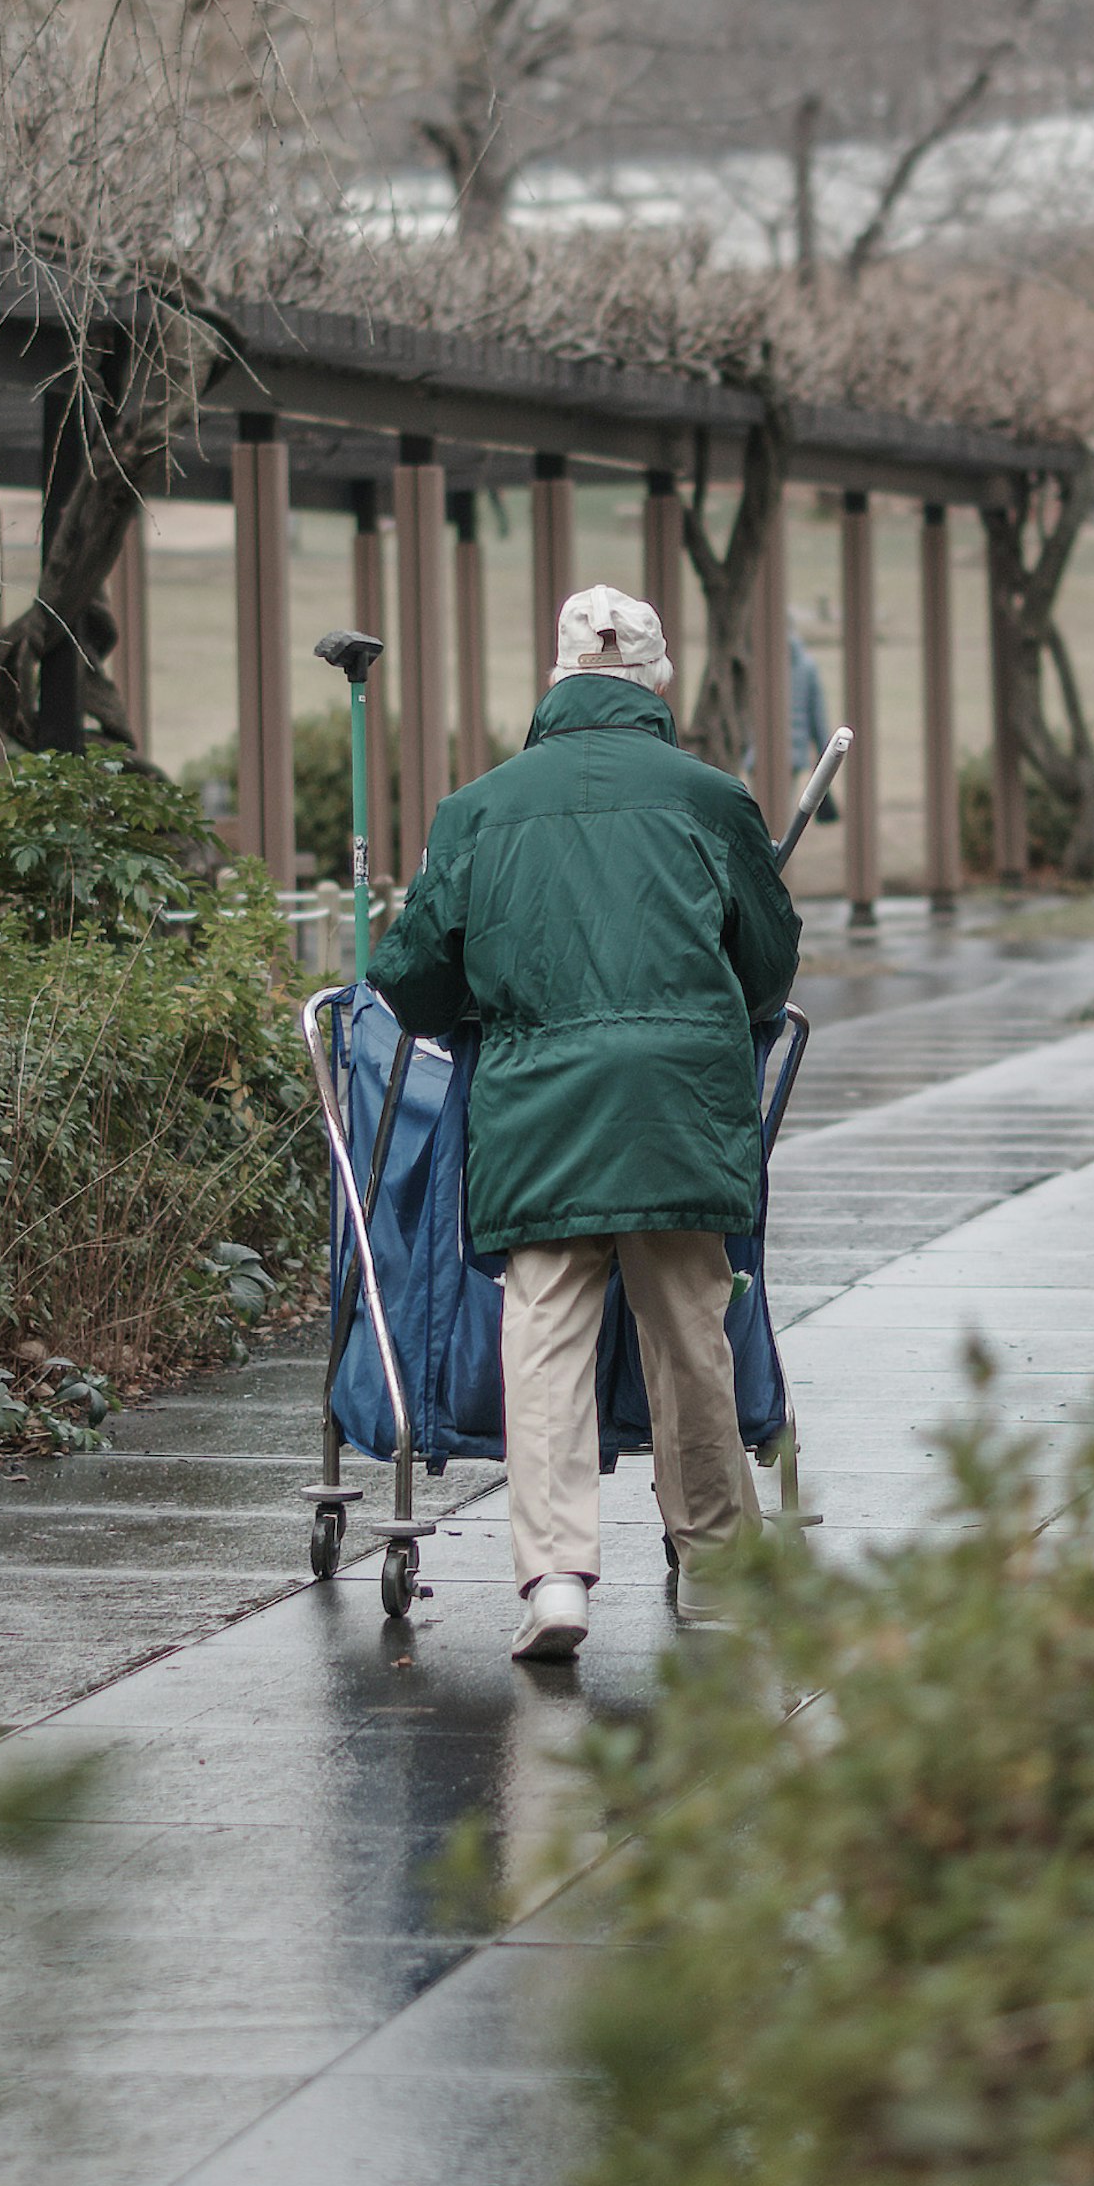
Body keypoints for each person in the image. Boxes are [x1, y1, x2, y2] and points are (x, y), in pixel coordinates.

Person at [366, 577, 800, 1666]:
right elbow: (769, 965)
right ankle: (712, 1570)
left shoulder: (479, 809)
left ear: (557, 677)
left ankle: (556, 1575)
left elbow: (414, 981)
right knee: (689, 1339)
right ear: (654, 681)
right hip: (676, 1107)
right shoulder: (714, 802)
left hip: (540, 1107)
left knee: (546, 1336)